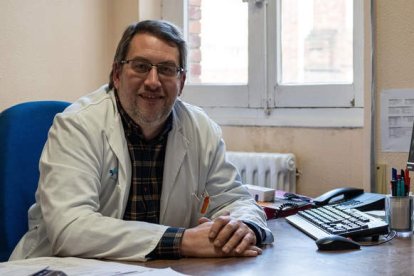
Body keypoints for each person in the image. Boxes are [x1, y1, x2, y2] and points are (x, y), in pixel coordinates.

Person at [10, 20, 273, 261]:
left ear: (181, 83)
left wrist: (243, 227)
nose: (153, 81)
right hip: (61, 267)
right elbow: (70, 229)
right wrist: (182, 241)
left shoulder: (200, 128)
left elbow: (234, 200)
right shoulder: (78, 124)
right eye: (141, 66)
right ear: (116, 74)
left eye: (167, 70)